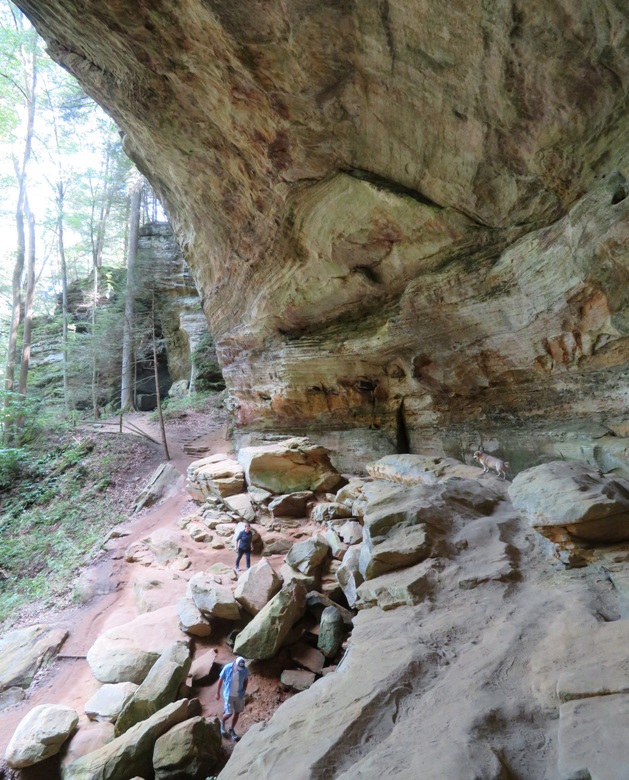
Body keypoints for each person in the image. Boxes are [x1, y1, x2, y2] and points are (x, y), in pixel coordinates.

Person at [216, 656, 249, 740]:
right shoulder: (227, 668)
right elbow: (220, 679)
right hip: (229, 695)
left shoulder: (244, 669)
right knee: (229, 713)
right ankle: (222, 722)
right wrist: (217, 693)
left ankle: (231, 729)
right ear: (234, 663)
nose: (239, 669)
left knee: (237, 712)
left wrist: (243, 691)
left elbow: (245, 680)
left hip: (239, 694)